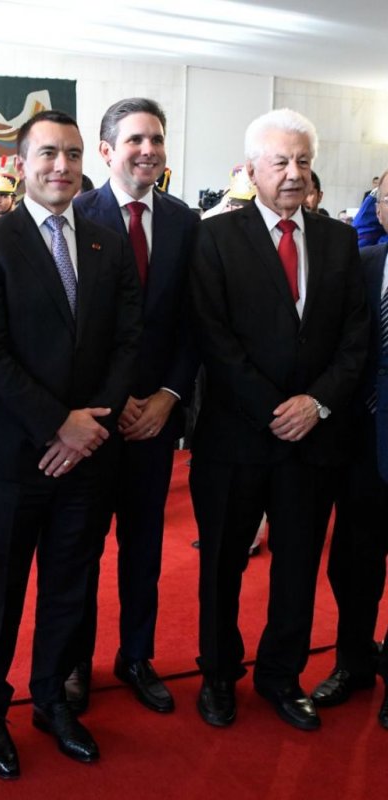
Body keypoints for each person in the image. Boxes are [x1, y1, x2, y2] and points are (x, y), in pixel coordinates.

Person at [0, 109, 141, 779]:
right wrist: (56, 423)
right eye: (47, 154)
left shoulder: (107, 244)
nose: (61, 166)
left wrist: (89, 427)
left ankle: (51, 700)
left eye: (72, 154)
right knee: (0, 591)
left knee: (71, 585)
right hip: (18, 454)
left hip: (89, 454)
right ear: (20, 163)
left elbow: (128, 340)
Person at [189, 108, 369, 732]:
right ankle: (218, 674)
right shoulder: (215, 236)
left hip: (314, 442)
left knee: (297, 566)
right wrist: (274, 408)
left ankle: (281, 676)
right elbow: (213, 338)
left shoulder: (339, 241)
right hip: (234, 439)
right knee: (222, 565)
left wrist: (315, 403)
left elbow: (355, 339)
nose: (294, 173)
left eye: (303, 161)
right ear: (251, 170)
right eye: (280, 162)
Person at [70, 97, 198, 715]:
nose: (148, 151)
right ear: (106, 151)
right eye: (135, 140)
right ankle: (74, 662)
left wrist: (169, 397)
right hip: (92, 422)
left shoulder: (184, 222)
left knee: (144, 549)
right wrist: (109, 401)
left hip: (155, 421)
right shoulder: (75, 214)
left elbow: (194, 322)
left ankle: (137, 656)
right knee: (80, 549)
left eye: (157, 139)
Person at [311, 168, 388, 727]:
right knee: (354, 562)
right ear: (378, 206)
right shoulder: (363, 264)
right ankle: (354, 662)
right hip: (360, 443)